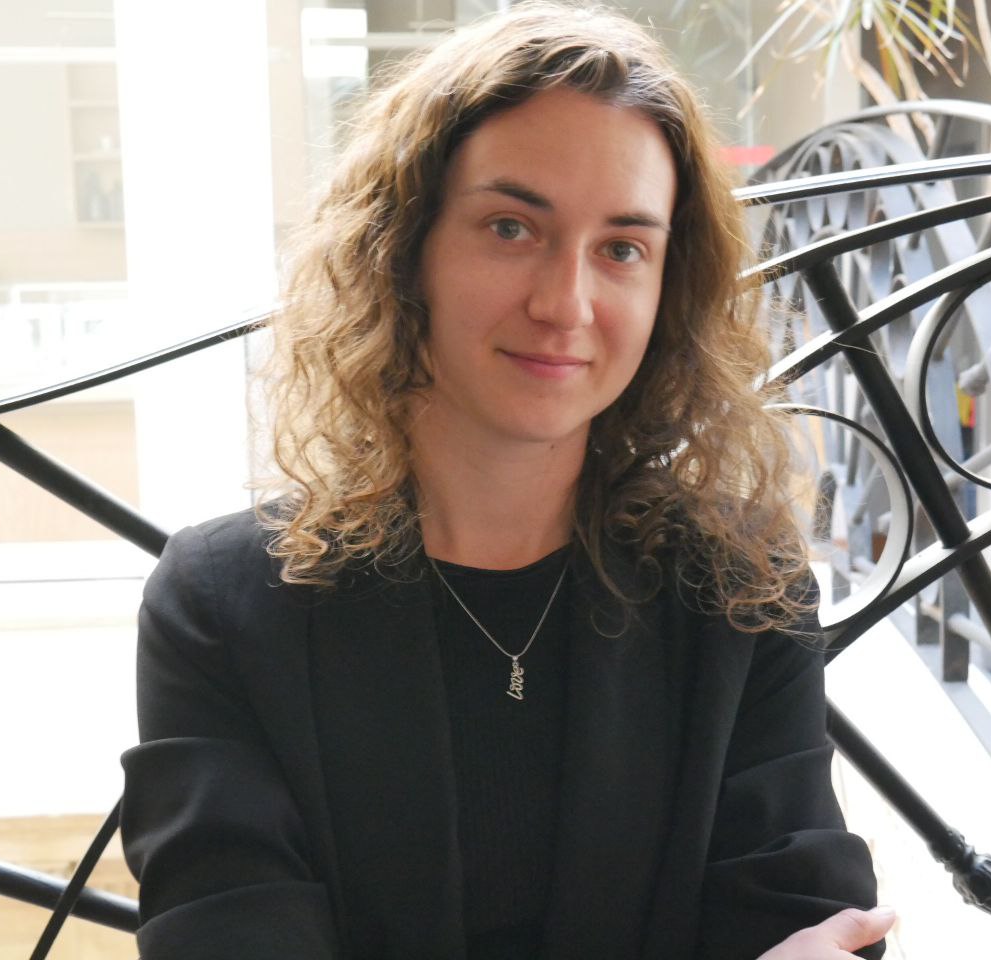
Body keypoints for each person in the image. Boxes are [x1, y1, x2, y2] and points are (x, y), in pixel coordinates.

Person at [119, 3, 892, 958]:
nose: (565, 303)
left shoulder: (740, 584)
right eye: (511, 227)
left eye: (622, 248)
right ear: (403, 250)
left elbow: (809, 922)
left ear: (668, 288)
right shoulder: (224, 606)